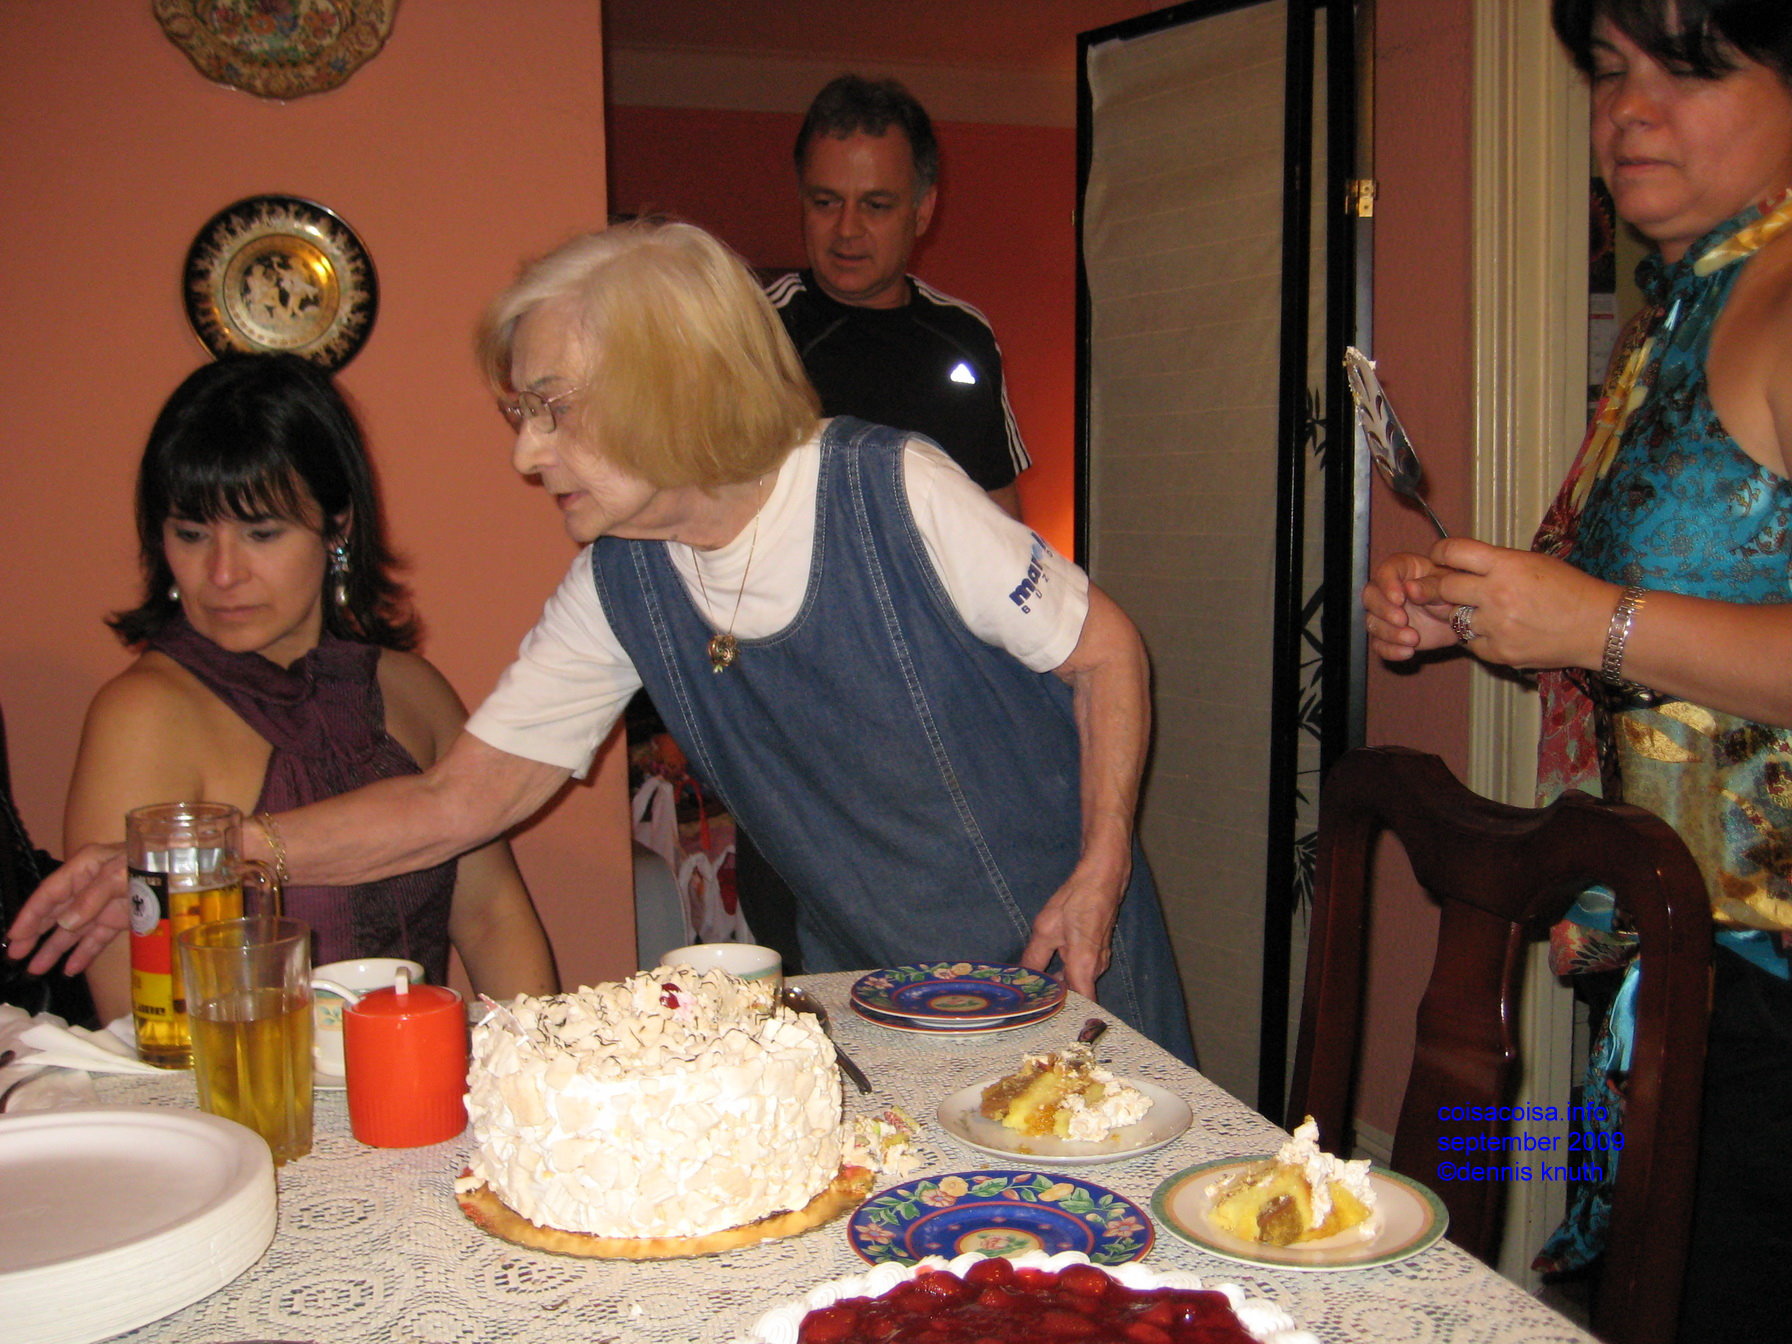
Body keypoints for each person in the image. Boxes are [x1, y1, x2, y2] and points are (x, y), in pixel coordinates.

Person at [9, 221, 1193, 1063]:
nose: (526, 455)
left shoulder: (893, 490)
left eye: (553, 410)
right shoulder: (621, 580)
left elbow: (1108, 651)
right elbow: (453, 804)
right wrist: (221, 857)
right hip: (867, 988)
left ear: (673, 384)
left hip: (1059, 960)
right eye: (521, 413)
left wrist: (1100, 866)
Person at [1362, 2, 1792, 1338]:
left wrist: (1591, 623)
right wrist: (1482, 609)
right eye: (1610, 72)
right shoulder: (1691, 303)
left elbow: (1626, 621)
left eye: (1690, 68)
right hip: (1677, 972)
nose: (1628, 111)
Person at [50, 354, 558, 1020]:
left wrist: (543, 1072)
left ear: (337, 527)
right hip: (242, 1116)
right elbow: (140, 1018)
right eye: (192, 533)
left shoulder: (414, 690)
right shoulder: (141, 715)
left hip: (426, 1096)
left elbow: (492, 917)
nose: (223, 572)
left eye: (262, 532)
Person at [766, 74, 1030, 520]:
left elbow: (1000, 517)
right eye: (826, 202)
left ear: (922, 210)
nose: (847, 229)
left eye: (876, 205)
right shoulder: (758, 333)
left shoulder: (965, 337)